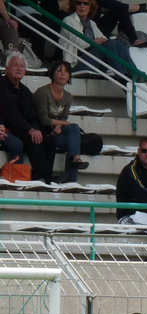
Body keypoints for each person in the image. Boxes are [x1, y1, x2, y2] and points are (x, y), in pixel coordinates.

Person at [32, 60, 89, 183]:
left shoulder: (68, 96)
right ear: (53, 74)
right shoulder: (42, 92)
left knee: (73, 132)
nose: (63, 74)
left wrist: (59, 126)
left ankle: (74, 165)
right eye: (59, 70)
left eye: (66, 71)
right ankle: (73, 172)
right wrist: (62, 124)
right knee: (73, 130)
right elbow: (44, 120)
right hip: (41, 132)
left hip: (55, 131)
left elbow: (63, 119)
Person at [0, 53, 54, 183]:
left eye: (22, 66)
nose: (19, 68)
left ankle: (40, 175)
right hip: (8, 128)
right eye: (15, 65)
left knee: (50, 141)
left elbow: (33, 115)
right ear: (6, 68)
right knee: (30, 139)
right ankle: (45, 178)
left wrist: (35, 129)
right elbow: (9, 113)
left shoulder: (25, 90)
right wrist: (30, 129)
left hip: (23, 128)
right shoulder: (1, 85)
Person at [60, 0, 134, 76]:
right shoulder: (68, 21)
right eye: (79, 3)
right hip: (76, 64)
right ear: (74, 5)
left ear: (90, 6)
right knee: (109, 43)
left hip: (93, 61)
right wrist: (95, 42)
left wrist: (98, 41)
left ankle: (133, 72)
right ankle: (121, 76)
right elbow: (81, 44)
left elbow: (103, 39)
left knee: (119, 43)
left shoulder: (91, 23)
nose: (82, 6)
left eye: (86, 3)